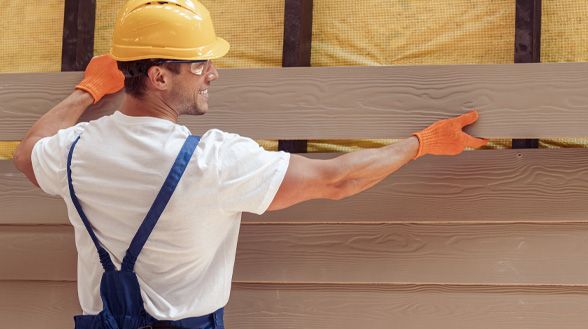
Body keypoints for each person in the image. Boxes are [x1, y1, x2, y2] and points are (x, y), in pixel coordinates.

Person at [12, 0, 487, 328]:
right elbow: (339, 179)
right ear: (158, 75)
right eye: (200, 65)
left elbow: (27, 152)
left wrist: (88, 91)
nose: (213, 74)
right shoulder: (212, 162)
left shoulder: (73, 150)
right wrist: (422, 143)